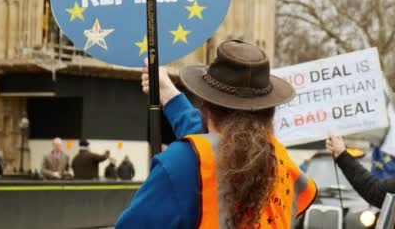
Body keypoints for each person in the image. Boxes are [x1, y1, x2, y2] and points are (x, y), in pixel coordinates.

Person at [117, 40, 317, 228]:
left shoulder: (181, 164)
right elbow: (224, 145)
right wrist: (169, 94)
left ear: (207, 106)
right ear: (268, 111)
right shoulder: (279, 160)